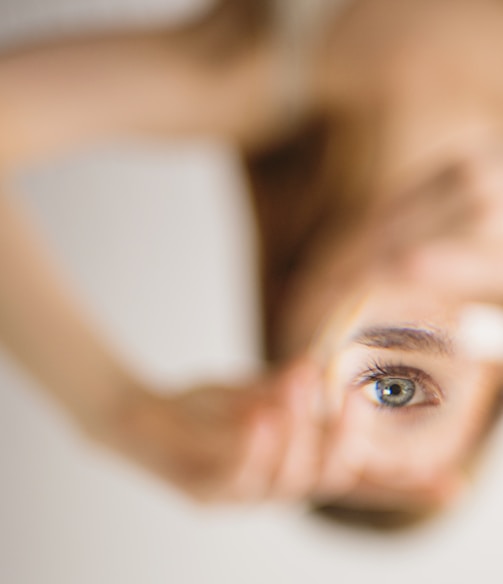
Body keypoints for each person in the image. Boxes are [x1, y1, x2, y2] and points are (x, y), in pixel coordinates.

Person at [1, 0, 503, 514]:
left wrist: (116, 410)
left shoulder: (250, 68)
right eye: (398, 390)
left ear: (292, 305)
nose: (359, 403)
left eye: (382, 389)